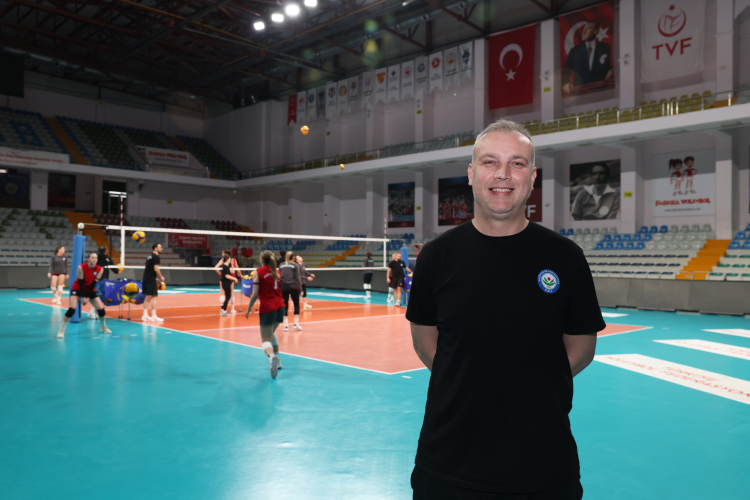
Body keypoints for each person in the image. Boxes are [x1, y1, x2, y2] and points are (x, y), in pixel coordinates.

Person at [407, 119, 605, 500]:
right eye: (490, 162)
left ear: (532, 177)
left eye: (517, 163)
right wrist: (468, 379)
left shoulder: (566, 257)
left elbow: (582, 345)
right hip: (447, 467)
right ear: (471, 174)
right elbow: (424, 338)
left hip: (543, 468)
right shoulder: (436, 256)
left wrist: (530, 384)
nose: (503, 174)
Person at [245, 250, 284, 379]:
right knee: (271, 333)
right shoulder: (277, 271)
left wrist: (248, 309)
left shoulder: (258, 272)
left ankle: (272, 357)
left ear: (261, 260)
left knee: (266, 340)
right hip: (280, 307)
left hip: (268, 309)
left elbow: (254, 294)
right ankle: (278, 361)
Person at [57, 252, 111, 338]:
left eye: (96, 258)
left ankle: (103, 327)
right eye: (92, 257)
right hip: (78, 288)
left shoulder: (100, 269)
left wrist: (88, 297)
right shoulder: (81, 267)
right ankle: (61, 330)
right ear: (88, 259)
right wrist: (83, 297)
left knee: (101, 310)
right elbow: (81, 283)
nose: (94, 259)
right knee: (72, 309)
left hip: (90, 289)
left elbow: (93, 284)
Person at [562, 20, 613, 94]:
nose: (584, 32)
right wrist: (566, 83)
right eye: (583, 29)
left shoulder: (605, 47)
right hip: (580, 92)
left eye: (588, 28)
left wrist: (610, 71)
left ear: (596, 31)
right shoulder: (575, 51)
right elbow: (567, 70)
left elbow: (606, 65)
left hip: (601, 90)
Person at [87, 245, 122, 319]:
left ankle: (93, 312)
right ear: (106, 251)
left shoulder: (95, 257)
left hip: (93, 279)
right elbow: (115, 270)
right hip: (102, 281)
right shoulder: (107, 259)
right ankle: (92, 312)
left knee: (96, 296)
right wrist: (120, 270)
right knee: (99, 297)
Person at [141, 243, 165, 323]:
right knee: (154, 296)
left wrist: (154, 277)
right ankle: (154, 316)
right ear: (155, 248)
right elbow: (156, 268)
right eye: (160, 247)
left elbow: (149, 269)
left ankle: (145, 315)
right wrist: (161, 277)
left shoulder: (149, 256)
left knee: (147, 296)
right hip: (150, 279)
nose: (161, 249)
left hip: (146, 278)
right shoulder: (156, 257)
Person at [279, 251, 303, 331]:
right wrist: (301, 289)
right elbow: (298, 278)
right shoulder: (295, 265)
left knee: (285, 306)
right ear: (293, 257)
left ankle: (286, 326)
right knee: (296, 305)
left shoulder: (281, 265)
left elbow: (279, 276)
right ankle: (296, 324)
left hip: (284, 287)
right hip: (293, 287)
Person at [215, 251, 239, 316]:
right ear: (227, 259)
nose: (231, 260)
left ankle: (223, 309)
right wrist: (235, 278)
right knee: (228, 297)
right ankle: (224, 310)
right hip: (226, 283)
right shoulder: (225, 267)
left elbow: (232, 271)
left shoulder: (226, 266)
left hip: (226, 283)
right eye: (230, 259)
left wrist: (232, 264)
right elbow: (227, 276)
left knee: (228, 297)